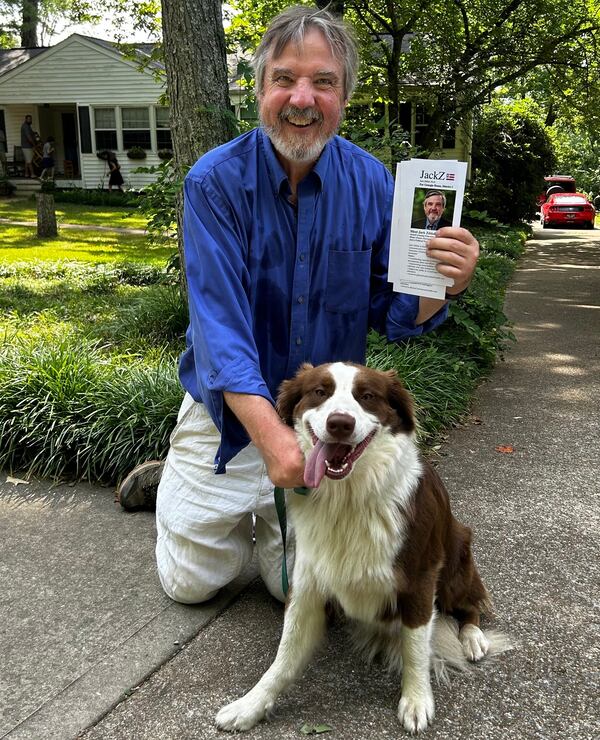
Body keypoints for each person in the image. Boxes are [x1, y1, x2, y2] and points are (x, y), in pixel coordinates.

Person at [117, 6, 479, 605]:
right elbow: (219, 332)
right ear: (259, 89)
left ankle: (264, 510)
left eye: (323, 82)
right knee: (190, 585)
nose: (302, 99)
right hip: (230, 416)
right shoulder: (214, 183)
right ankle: (178, 480)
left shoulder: (372, 183)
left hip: (324, 418)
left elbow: (392, 312)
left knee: (297, 593)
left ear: (344, 96)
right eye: (284, 79)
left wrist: (444, 283)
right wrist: (272, 441)